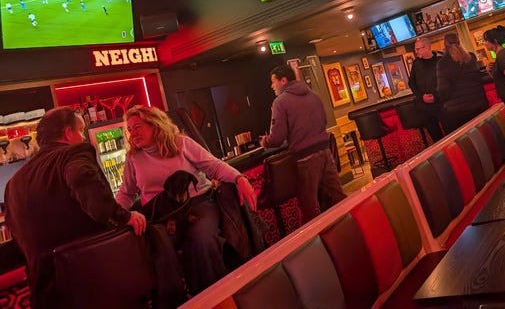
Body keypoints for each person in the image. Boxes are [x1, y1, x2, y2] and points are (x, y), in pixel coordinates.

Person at [4, 106, 146, 308]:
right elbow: (95, 201)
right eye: (81, 130)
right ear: (68, 133)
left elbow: (17, 236)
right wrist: (126, 217)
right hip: (92, 279)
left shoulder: (14, 183)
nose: (83, 137)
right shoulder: (73, 154)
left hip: (45, 291)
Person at [116, 105, 256, 295]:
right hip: (162, 214)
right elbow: (126, 193)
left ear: (155, 125)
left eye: (138, 127)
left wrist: (239, 178)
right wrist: (115, 216)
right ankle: (177, 300)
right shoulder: (134, 157)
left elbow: (214, 166)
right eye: (130, 129)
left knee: (201, 239)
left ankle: (217, 296)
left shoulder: (181, 143)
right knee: (157, 246)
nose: (133, 134)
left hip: (198, 204)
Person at [260, 65, 346, 223]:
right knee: (338, 196)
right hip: (326, 152)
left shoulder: (280, 102)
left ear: (283, 80)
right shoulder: (314, 96)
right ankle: (353, 226)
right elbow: (324, 121)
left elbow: (277, 137)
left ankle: (318, 242)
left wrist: (265, 141)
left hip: (305, 158)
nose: (272, 86)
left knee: (309, 207)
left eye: (273, 82)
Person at [436, 32, 489, 133]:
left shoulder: (443, 63)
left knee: (468, 142)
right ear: (459, 42)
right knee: (485, 136)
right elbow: (478, 78)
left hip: (458, 111)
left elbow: (443, 90)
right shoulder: (471, 58)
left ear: (445, 45)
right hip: (479, 104)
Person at [408, 37, 444, 141]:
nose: (416, 52)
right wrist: (421, 96)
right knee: (436, 138)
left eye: (418, 49)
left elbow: (447, 81)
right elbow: (411, 83)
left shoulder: (440, 60)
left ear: (427, 47)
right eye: (415, 49)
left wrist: (436, 96)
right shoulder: (416, 64)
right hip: (425, 106)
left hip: (441, 102)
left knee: (451, 132)